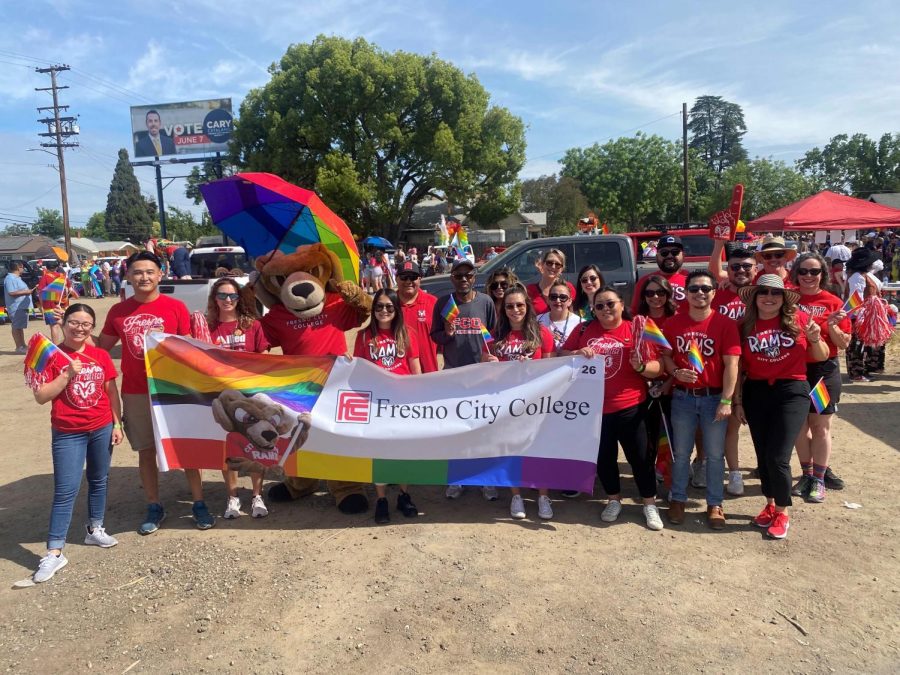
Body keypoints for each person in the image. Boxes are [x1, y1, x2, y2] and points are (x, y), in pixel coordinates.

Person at [99, 251, 215, 533]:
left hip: (172, 389)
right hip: (136, 391)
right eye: (138, 272)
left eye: (150, 271)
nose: (144, 277)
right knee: (146, 450)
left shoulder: (175, 307)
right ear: (127, 276)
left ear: (160, 274)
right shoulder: (118, 312)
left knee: (185, 447)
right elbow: (99, 347)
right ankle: (154, 504)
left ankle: (198, 502)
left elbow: (189, 348)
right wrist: (59, 326)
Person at [26, 303, 123, 583]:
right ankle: (55, 552)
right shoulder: (51, 355)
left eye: (86, 324)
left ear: (92, 327)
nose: (80, 328)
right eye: (74, 322)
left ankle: (95, 529)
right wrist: (67, 374)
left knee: (99, 480)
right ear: (64, 322)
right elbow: (41, 396)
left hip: (102, 427)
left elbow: (111, 391)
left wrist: (117, 424)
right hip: (68, 431)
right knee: (66, 490)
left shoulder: (100, 355)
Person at [561, 286, 665, 531]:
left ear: (621, 304)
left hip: (631, 406)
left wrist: (641, 368)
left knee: (640, 458)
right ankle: (613, 499)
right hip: (595, 410)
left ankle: (649, 503)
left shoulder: (636, 329)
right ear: (593, 310)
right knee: (604, 458)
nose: (605, 309)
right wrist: (576, 352)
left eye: (610, 304)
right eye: (599, 306)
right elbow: (562, 353)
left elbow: (659, 367)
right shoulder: (584, 329)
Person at [736, 275, 828, 539]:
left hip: (792, 390)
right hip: (756, 391)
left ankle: (784, 511)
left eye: (775, 293)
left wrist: (814, 338)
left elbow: (820, 356)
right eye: (762, 292)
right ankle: (770, 503)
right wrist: (739, 401)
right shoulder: (744, 325)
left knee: (778, 456)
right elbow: (739, 368)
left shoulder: (799, 320)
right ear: (754, 297)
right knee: (763, 454)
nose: (769, 297)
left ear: (784, 298)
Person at [662, 270, 741, 529]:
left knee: (715, 455)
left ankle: (715, 504)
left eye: (705, 289)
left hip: (713, 397)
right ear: (685, 292)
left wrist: (727, 400)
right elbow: (666, 356)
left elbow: (732, 365)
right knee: (681, 452)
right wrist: (675, 371)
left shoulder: (725, 324)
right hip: (683, 397)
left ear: (714, 292)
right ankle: (678, 498)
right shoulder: (674, 324)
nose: (700, 293)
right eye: (694, 289)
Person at [482, 285, 556, 519]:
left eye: (520, 305)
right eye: (510, 306)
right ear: (503, 309)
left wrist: (533, 367)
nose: (515, 310)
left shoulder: (541, 333)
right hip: (506, 403)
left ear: (528, 307)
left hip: (535, 402)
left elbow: (551, 370)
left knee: (538, 449)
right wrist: (489, 361)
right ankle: (516, 496)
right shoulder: (495, 335)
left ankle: (543, 496)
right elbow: (486, 369)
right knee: (511, 449)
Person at [203, 278, 271, 519]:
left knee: (255, 446)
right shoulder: (207, 327)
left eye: (232, 295)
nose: (228, 300)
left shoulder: (252, 325)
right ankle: (232, 498)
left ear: (240, 298)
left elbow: (263, 357)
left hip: (250, 394)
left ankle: (256, 496)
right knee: (227, 448)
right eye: (222, 295)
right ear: (214, 298)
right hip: (221, 398)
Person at [431, 258, 497, 500]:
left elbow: (493, 334)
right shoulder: (443, 303)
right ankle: (456, 479)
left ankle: (486, 480)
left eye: (468, 275)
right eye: (459, 276)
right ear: (452, 279)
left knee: (483, 430)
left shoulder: (486, 302)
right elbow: (435, 336)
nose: (464, 280)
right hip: (454, 373)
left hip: (482, 376)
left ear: (474, 278)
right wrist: (447, 334)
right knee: (457, 430)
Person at [353, 289, 421, 523]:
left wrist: (417, 399)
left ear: (396, 310)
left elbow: (415, 368)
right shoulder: (363, 337)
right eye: (379, 307)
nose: (384, 311)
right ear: (373, 310)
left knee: (403, 451)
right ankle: (381, 499)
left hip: (401, 404)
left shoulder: (407, 334)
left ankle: (404, 495)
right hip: (376, 405)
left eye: (389, 307)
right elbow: (358, 372)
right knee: (379, 453)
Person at [790, 253, 852, 502]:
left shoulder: (834, 302)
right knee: (799, 427)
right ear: (796, 273)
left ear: (822, 275)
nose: (808, 276)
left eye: (814, 272)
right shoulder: (787, 298)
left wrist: (833, 325)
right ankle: (806, 473)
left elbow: (844, 344)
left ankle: (818, 478)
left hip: (822, 372)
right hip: (793, 371)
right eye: (803, 271)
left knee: (820, 426)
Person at [844, 246, 884, 382]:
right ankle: (856, 373)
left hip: (861, 314)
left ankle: (860, 370)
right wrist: (860, 316)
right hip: (858, 316)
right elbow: (855, 298)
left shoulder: (861, 276)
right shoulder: (857, 277)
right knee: (857, 344)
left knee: (861, 344)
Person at [396, 261, 439, 373]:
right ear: (396, 279)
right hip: (398, 372)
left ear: (419, 279)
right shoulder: (388, 304)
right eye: (404, 277)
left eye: (413, 277)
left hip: (428, 371)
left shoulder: (433, 302)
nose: (408, 281)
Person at [630, 235, 688, 315]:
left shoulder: (692, 281)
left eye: (675, 252)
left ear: (683, 255)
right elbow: (635, 312)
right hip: (653, 327)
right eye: (664, 253)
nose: (670, 256)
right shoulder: (645, 281)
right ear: (657, 256)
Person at [537, 278, 583, 353]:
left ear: (570, 301)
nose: (558, 301)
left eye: (563, 297)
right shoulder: (537, 320)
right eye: (553, 297)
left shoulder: (580, 323)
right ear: (548, 300)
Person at [526, 249, 577, 315]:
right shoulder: (530, 290)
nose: (553, 267)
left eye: (557, 264)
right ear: (542, 264)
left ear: (562, 269)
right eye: (549, 263)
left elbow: (573, 314)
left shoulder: (568, 288)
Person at [36, 260, 70, 345]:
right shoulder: (62, 276)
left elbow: (41, 292)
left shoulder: (45, 277)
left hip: (49, 304)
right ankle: (68, 344)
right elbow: (69, 288)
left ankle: (56, 346)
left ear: (46, 268)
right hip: (62, 303)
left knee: (54, 326)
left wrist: (42, 306)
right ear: (57, 267)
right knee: (64, 324)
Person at [4, 261, 33, 354]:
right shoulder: (10, 278)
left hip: (21, 306)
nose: (23, 269)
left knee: (20, 327)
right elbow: (11, 292)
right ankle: (18, 346)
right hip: (16, 307)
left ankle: (22, 345)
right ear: (18, 268)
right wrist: (26, 292)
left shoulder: (16, 278)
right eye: (22, 267)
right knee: (16, 327)